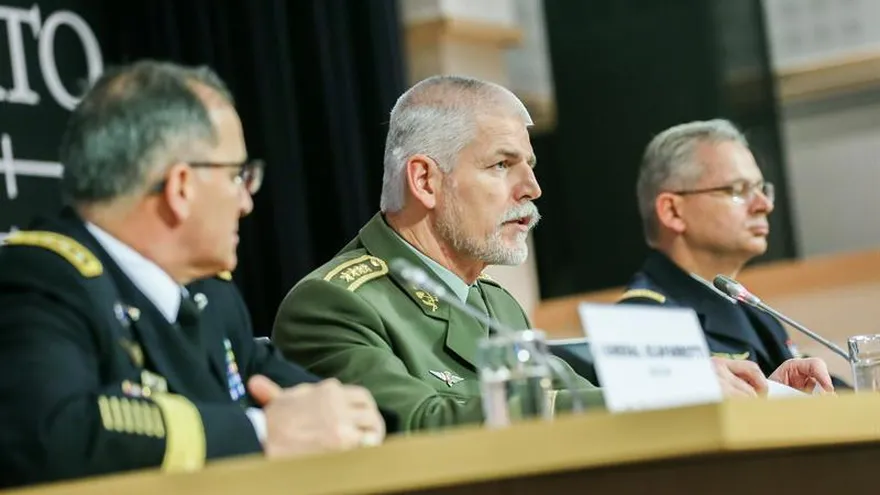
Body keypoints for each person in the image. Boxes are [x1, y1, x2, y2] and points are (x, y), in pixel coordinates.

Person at [271, 77, 833, 433]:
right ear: (425, 179)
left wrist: (765, 390)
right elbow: (419, 420)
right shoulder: (334, 302)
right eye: (501, 166)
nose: (532, 189)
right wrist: (674, 389)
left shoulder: (492, 303)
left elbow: (586, 398)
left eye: (530, 167)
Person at [0, 60, 388, 489]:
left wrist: (347, 414)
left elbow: (308, 403)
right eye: (238, 175)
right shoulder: (40, 278)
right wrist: (260, 433)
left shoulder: (211, 296)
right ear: (181, 186)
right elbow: (52, 433)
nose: (246, 203)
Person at [618, 118, 846, 388]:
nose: (763, 205)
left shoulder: (753, 310)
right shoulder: (645, 320)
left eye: (762, 189)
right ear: (672, 211)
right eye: (737, 190)